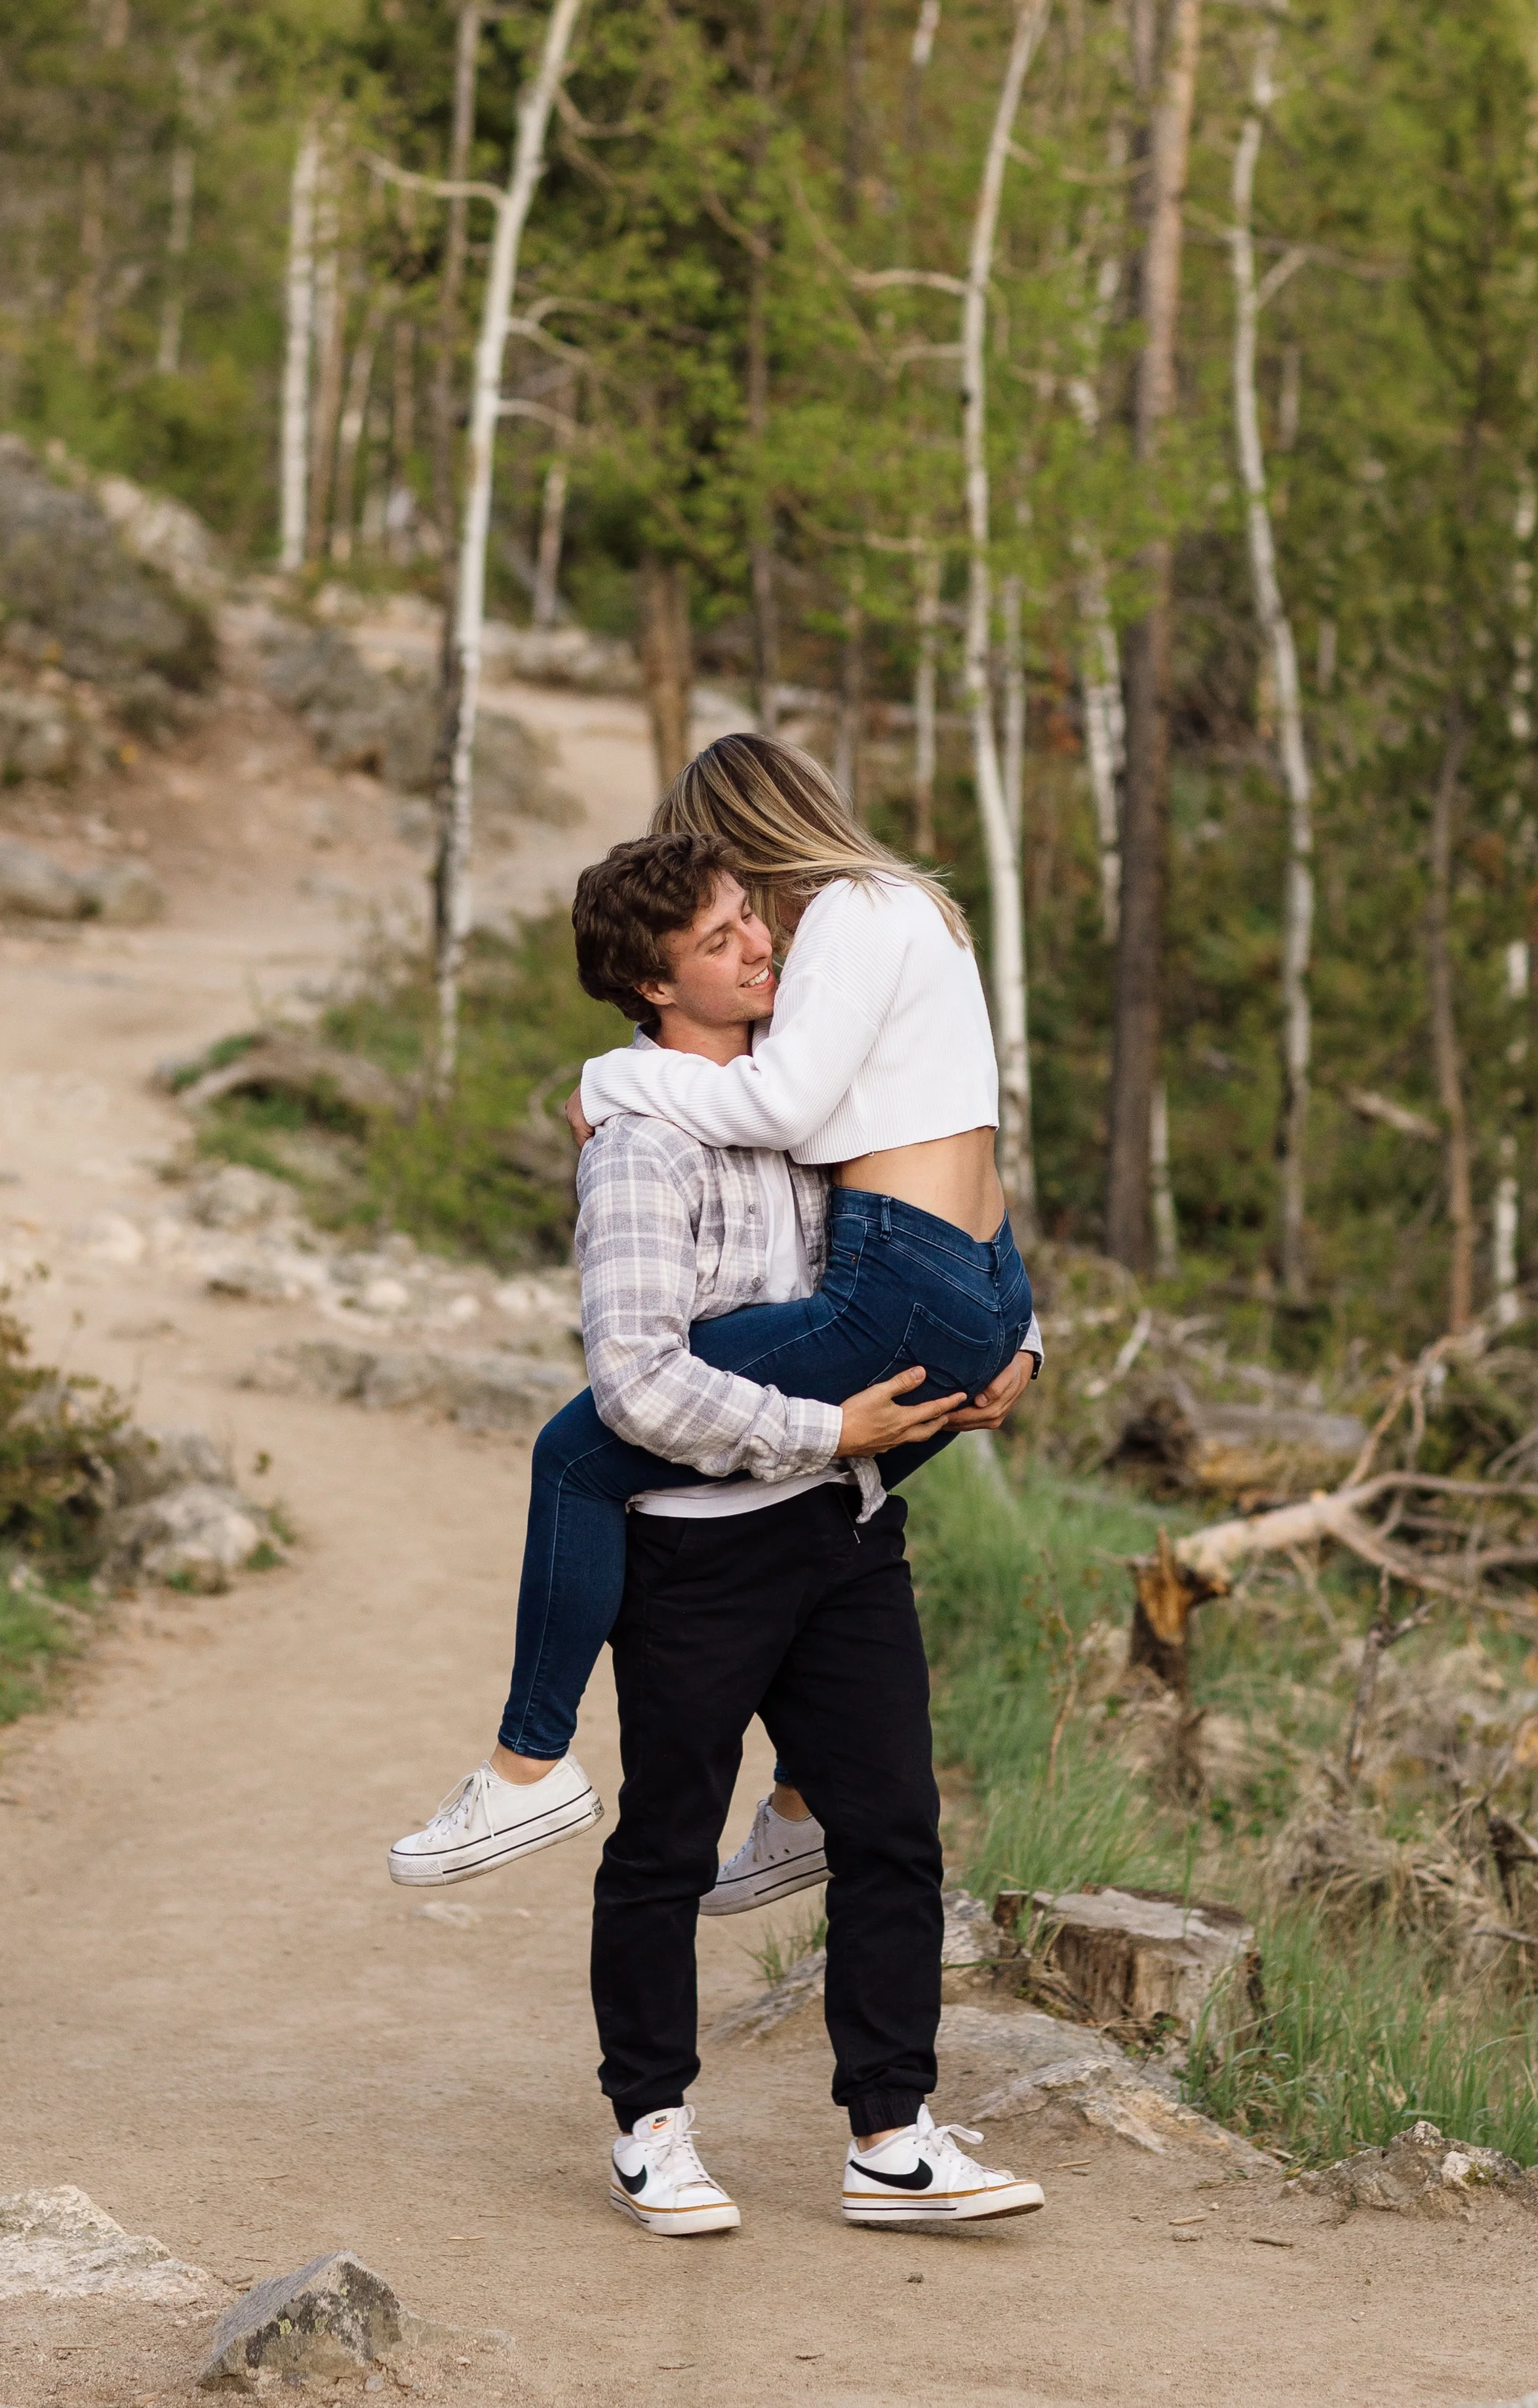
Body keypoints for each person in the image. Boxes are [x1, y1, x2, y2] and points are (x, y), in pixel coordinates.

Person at [459, 830, 1044, 2231]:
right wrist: (824, 1431)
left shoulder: (809, 1104)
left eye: (749, 921)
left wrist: (1015, 1344)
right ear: (653, 990)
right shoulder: (641, 1152)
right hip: (699, 1545)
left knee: (894, 1828)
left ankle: (890, 2135)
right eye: (720, 940)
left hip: (843, 1538)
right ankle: (651, 2123)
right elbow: (640, 1380)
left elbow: (943, 1222)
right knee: (664, 1841)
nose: (757, 948)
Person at [389, 737, 1037, 1885]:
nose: (755, 934)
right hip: (977, 1274)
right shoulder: (919, 912)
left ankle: (529, 1772)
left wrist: (607, 1079)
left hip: (907, 1279)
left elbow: (782, 1108)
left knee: (580, 1451)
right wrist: (1016, 1326)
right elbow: (950, 1119)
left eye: (737, 889)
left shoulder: (850, 913)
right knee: (827, 1478)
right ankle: (804, 1795)